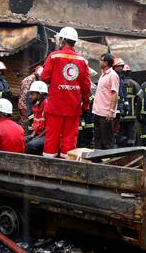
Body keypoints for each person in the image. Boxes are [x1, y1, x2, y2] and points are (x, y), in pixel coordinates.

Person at [40, 27, 91, 158]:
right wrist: (85, 105)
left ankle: (48, 165)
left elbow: (44, 77)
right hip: (73, 108)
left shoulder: (54, 56)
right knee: (69, 139)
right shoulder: (83, 61)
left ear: (62, 40)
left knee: (52, 137)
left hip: (55, 105)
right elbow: (86, 87)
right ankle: (67, 166)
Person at [92, 53, 119, 150]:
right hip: (98, 111)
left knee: (107, 140)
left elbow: (114, 93)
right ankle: (97, 159)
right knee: (97, 138)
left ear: (106, 62)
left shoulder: (113, 76)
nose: (100, 61)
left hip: (106, 113)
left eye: (101, 60)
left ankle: (109, 161)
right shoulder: (103, 75)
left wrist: (111, 111)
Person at [116, 62, 140, 147]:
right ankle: (130, 148)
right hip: (132, 115)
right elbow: (140, 98)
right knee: (131, 131)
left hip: (121, 114)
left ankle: (121, 147)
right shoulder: (135, 84)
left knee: (121, 131)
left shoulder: (118, 83)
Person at [25, 81, 48, 155]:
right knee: (22, 141)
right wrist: (32, 135)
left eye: (32, 94)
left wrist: (37, 137)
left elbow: (49, 128)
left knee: (31, 145)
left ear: (40, 95)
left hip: (47, 136)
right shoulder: (36, 106)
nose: (30, 97)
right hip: (40, 135)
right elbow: (37, 125)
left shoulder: (47, 106)